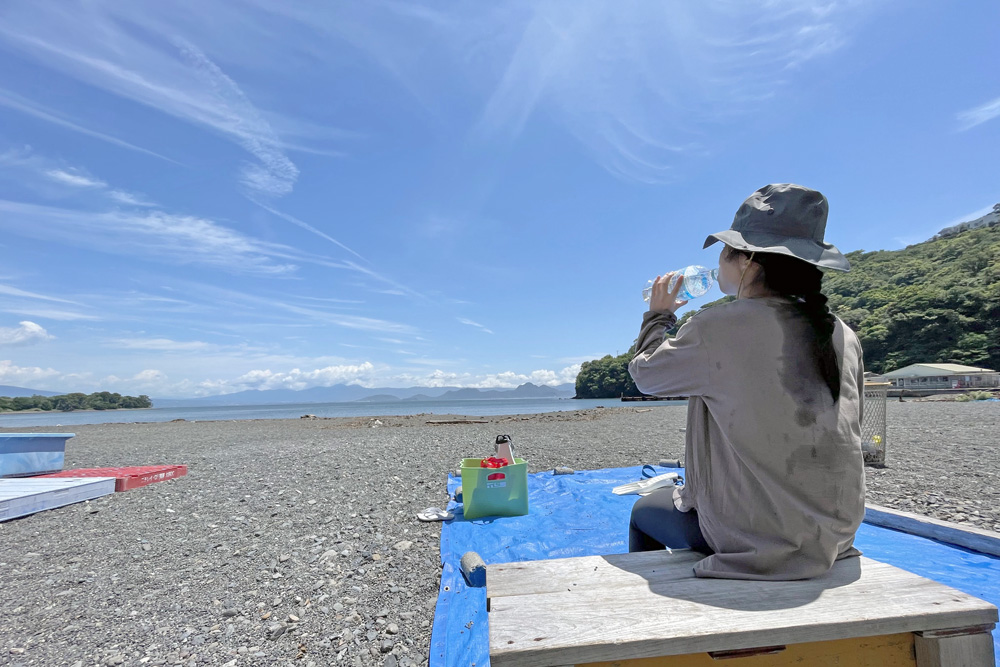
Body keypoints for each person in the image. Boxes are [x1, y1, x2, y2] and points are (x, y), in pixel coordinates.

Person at [627, 183, 866, 581]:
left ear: (748, 259)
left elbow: (646, 376)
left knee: (643, 511)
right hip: (836, 534)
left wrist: (658, 315)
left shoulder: (718, 326)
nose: (719, 263)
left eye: (725, 251)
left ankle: (664, 622)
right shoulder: (842, 332)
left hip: (762, 540)